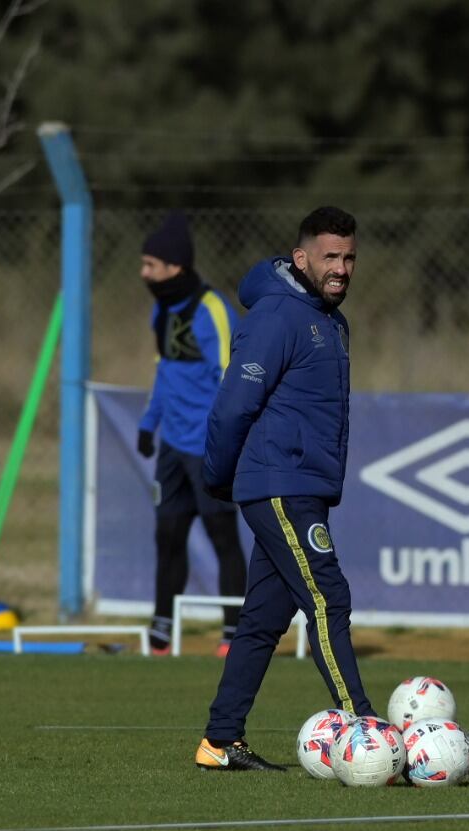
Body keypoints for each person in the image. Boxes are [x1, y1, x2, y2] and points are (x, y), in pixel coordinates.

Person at [196, 206, 375, 771]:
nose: (341, 268)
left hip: (302, 484)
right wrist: (220, 477)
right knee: (328, 598)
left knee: (264, 619)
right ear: (301, 259)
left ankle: (219, 742)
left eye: (348, 257)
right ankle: (369, 733)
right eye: (330, 257)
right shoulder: (277, 315)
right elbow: (233, 404)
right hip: (280, 484)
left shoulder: (329, 319)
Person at [136, 211, 245, 657]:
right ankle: (161, 635)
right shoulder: (160, 311)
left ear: (174, 267)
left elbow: (231, 376)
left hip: (208, 450)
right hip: (172, 449)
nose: (143, 273)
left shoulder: (212, 309)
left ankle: (235, 634)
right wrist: (148, 424)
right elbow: (166, 373)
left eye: (150, 265)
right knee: (168, 536)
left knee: (223, 537)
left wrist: (227, 439)